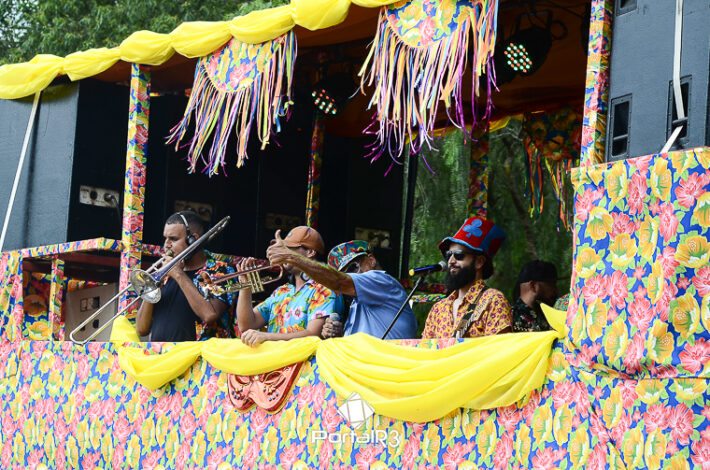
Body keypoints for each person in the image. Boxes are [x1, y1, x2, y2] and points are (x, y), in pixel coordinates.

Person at [267, 238, 417, 339]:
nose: (350, 275)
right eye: (344, 272)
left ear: (371, 260)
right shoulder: (357, 302)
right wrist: (337, 334)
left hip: (387, 367)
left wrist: (292, 257)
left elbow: (338, 281)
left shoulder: (381, 280)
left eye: (353, 267)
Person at [136, 211, 236, 341]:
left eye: (173, 239)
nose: (167, 244)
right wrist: (153, 284)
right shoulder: (165, 275)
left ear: (193, 239)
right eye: (166, 238)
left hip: (199, 353)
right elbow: (141, 329)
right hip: (160, 353)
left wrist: (178, 274)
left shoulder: (220, 270)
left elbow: (210, 314)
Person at [237, 226, 342, 347]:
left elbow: (313, 334)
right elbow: (247, 325)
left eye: (289, 249)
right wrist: (245, 286)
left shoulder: (323, 289)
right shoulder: (282, 291)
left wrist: (267, 337)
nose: (283, 254)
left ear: (310, 252)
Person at [422, 216, 511, 339]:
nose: (451, 261)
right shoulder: (438, 309)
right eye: (448, 255)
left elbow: (499, 349)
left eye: (459, 255)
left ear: (479, 262)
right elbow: (425, 349)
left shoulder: (493, 301)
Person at [511, 260, 560, 332]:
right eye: (551, 284)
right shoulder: (510, 319)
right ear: (533, 286)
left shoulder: (549, 315)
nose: (556, 290)